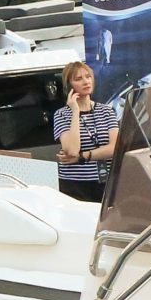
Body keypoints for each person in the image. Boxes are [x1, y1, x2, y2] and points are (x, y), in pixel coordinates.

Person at [51, 60, 118, 204]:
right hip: (75, 185)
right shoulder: (61, 114)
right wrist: (75, 111)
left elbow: (115, 148)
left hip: (106, 181)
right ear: (69, 86)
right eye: (78, 79)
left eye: (88, 77)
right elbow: (72, 150)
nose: (86, 81)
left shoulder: (106, 111)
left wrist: (82, 157)